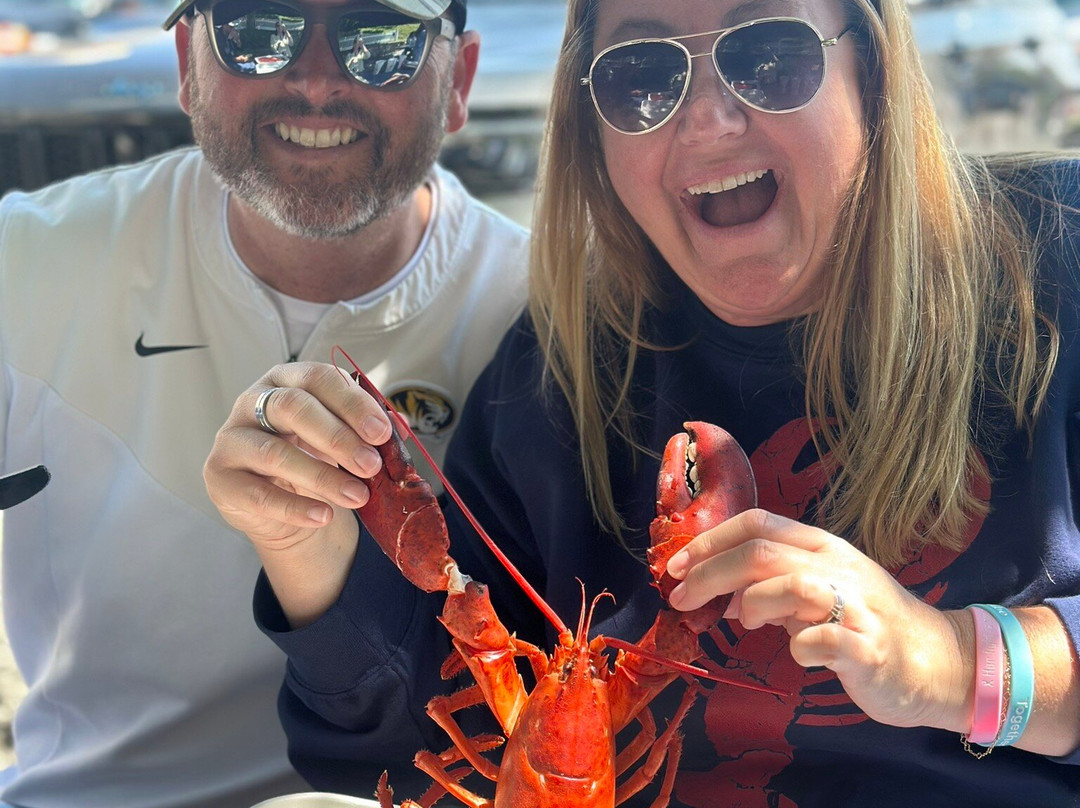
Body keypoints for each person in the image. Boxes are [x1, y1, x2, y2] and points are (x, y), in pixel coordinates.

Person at [204, 0, 1080, 804]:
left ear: (875, 72)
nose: (705, 116)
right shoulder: (559, 372)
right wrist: (311, 548)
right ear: (592, 132)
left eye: (769, 55)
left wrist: (953, 660)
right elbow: (397, 748)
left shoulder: (1057, 256)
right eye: (642, 77)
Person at [0, 0, 529, 805]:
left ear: (458, 80)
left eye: (377, 38)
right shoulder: (29, 263)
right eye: (257, 30)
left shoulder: (550, 314)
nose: (316, 81)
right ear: (187, 62)